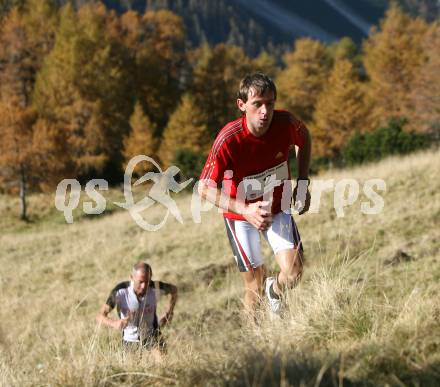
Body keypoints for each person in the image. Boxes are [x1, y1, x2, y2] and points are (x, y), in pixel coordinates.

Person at [198, 73, 311, 315]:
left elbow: (305, 137)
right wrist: (245, 210)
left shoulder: (286, 123)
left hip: (277, 208)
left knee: (294, 273)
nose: (264, 111)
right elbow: (204, 188)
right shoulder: (228, 140)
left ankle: (276, 292)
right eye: (257, 104)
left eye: (270, 103)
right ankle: (258, 340)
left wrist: (302, 182)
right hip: (241, 217)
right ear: (242, 105)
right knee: (254, 286)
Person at [96, 262, 177, 352]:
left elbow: (174, 290)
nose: (144, 286)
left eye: (147, 281)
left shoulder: (155, 287)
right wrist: (114, 323)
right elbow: (100, 316)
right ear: (132, 277)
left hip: (152, 334)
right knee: (129, 366)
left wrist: (169, 312)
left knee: (164, 364)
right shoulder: (120, 291)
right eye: (140, 282)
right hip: (129, 339)